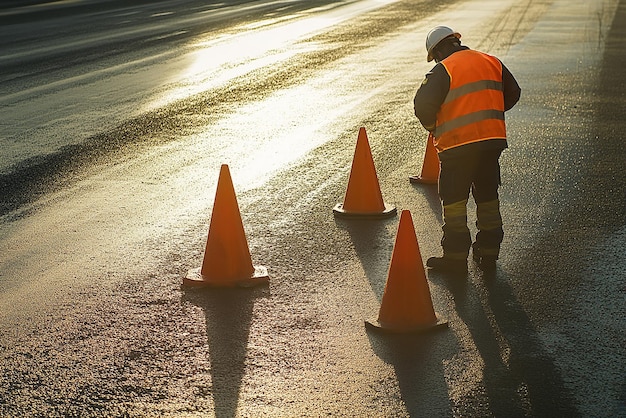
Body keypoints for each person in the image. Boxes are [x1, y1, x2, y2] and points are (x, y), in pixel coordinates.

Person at [413, 26, 521, 274]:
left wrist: (435, 128)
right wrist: (488, 114)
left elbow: (423, 105)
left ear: (439, 50)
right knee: (487, 197)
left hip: (458, 146)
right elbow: (513, 93)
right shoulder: (492, 61)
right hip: (491, 143)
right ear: (455, 41)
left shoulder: (444, 69)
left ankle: (455, 258)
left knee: (454, 201)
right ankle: (488, 252)